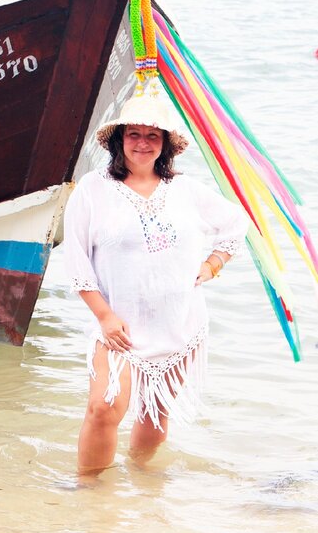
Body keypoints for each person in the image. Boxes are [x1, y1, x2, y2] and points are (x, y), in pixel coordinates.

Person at [63, 88, 247, 477]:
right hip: (119, 326)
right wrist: (105, 317)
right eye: (134, 134)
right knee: (102, 408)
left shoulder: (185, 190)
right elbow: (77, 261)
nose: (142, 143)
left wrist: (212, 265)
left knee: (156, 414)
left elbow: (235, 224)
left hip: (179, 322)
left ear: (164, 145)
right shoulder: (92, 190)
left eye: (152, 136)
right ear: (119, 139)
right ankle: (91, 496)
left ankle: (144, 494)